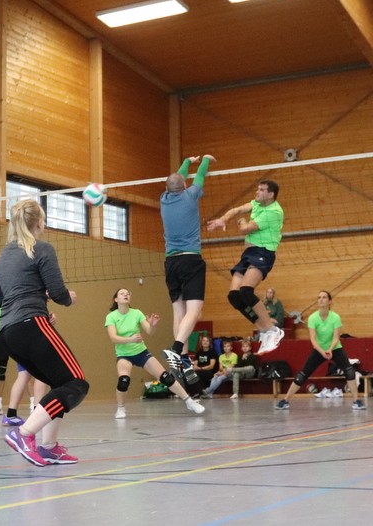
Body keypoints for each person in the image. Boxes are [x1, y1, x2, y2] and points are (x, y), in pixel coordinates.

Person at [0, 199, 88, 467]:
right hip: (30, 323)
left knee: (59, 384)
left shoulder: (3, 257)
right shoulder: (42, 248)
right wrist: (68, 298)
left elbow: (1, 299)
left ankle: (49, 447)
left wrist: (37, 297)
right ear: (38, 222)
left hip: (8, 332)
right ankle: (24, 434)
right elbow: (58, 292)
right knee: (76, 383)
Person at [206, 180, 285, 354]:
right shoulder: (256, 203)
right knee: (234, 296)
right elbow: (237, 210)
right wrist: (223, 219)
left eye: (261, 190)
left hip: (263, 253)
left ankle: (273, 331)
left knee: (246, 291)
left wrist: (241, 221)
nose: (257, 192)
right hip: (249, 253)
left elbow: (245, 229)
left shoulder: (273, 211)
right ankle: (264, 330)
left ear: (271, 194)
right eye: (257, 189)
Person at [159, 155, 215, 388]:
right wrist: (205, 161)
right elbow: (200, 177)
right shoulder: (190, 196)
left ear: (167, 188)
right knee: (194, 312)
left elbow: (177, 178)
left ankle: (182, 360)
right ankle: (175, 350)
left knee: (179, 313)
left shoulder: (163, 199)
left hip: (171, 262)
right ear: (184, 185)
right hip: (191, 260)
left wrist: (186, 161)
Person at [105, 288, 205, 419]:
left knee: (165, 377)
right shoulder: (111, 317)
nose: (126, 295)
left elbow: (149, 331)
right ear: (116, 299)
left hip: (141, 353)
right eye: (122, 293)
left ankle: (189, 401)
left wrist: (152, 325)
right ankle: (121, 408)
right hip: (124, 355)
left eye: (127, 293)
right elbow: (113, 338)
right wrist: (131, 339)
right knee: (124, 381)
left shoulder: (136, 313)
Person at [276, 291, 366, 410]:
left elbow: (336, 338)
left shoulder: (335, 317)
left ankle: (356, 401)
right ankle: (285, 401)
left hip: (335, 348)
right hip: (319, 350)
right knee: (302, 375)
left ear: (330, 301)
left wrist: (330, 350)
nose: (321, 299)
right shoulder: (313, 318)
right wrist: (322, 352)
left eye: (324, 297)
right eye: (319, 297)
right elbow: (313, 339)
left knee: (350, 372)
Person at [0, 289, 46, 423]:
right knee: (7, 370)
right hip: (8, 331)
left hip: (17, 330)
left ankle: (30, 405)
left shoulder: (19, 287)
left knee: (26, 372)